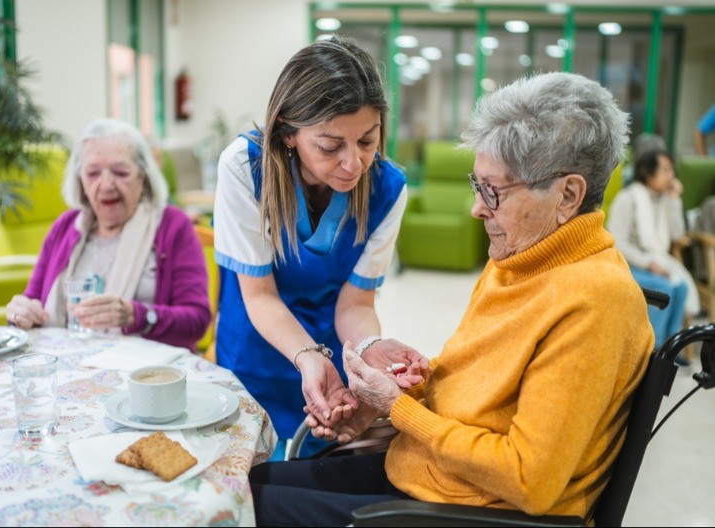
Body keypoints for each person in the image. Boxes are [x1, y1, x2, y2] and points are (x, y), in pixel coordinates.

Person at [248, 71, 655, 527]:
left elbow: (530, 480)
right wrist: (407, 388)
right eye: (476, 185)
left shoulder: (594, 303)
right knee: (251, 482)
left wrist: (398, 410)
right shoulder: (521, 258)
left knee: (247, 509)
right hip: (427, 475)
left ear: (568, 195)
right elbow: (483, 395)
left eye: (493, 191)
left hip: (468, 512)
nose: (477, 208)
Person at [212, 35, 427, 454]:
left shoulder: (388, 188)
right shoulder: (243, 168)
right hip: (254, 356)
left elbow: (356, 304)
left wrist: (368, 349)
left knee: (308, 474)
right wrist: (308, 355)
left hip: (334, 361)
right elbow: (259, 297)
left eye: (368, 141)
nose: (354, 164)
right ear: (289, 133)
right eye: (330, 146)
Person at [5, 118, 212, 350]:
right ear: (79, 179)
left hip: (146, 375)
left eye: (120, 172)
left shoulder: (172, 225)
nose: (106, 185)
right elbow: (32, 302)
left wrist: (135, 316)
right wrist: (21, 313)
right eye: (93, 173)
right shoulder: (64, 227)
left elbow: (197, 320)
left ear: (142, 177)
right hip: (66, 368)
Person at [607, 147, 700, 357]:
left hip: (656, 263)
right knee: (665, 288)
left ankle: (670, 348)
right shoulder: (628, 198)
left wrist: (674, 200)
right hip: (630, 265)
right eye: (665, 170)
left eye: (671, 170)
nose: (671, 176)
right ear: (648, 172)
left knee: (682, 287)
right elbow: (617, 242)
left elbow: (677, 234)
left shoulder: (663, 199)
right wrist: (648, 264)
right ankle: (654, 350)